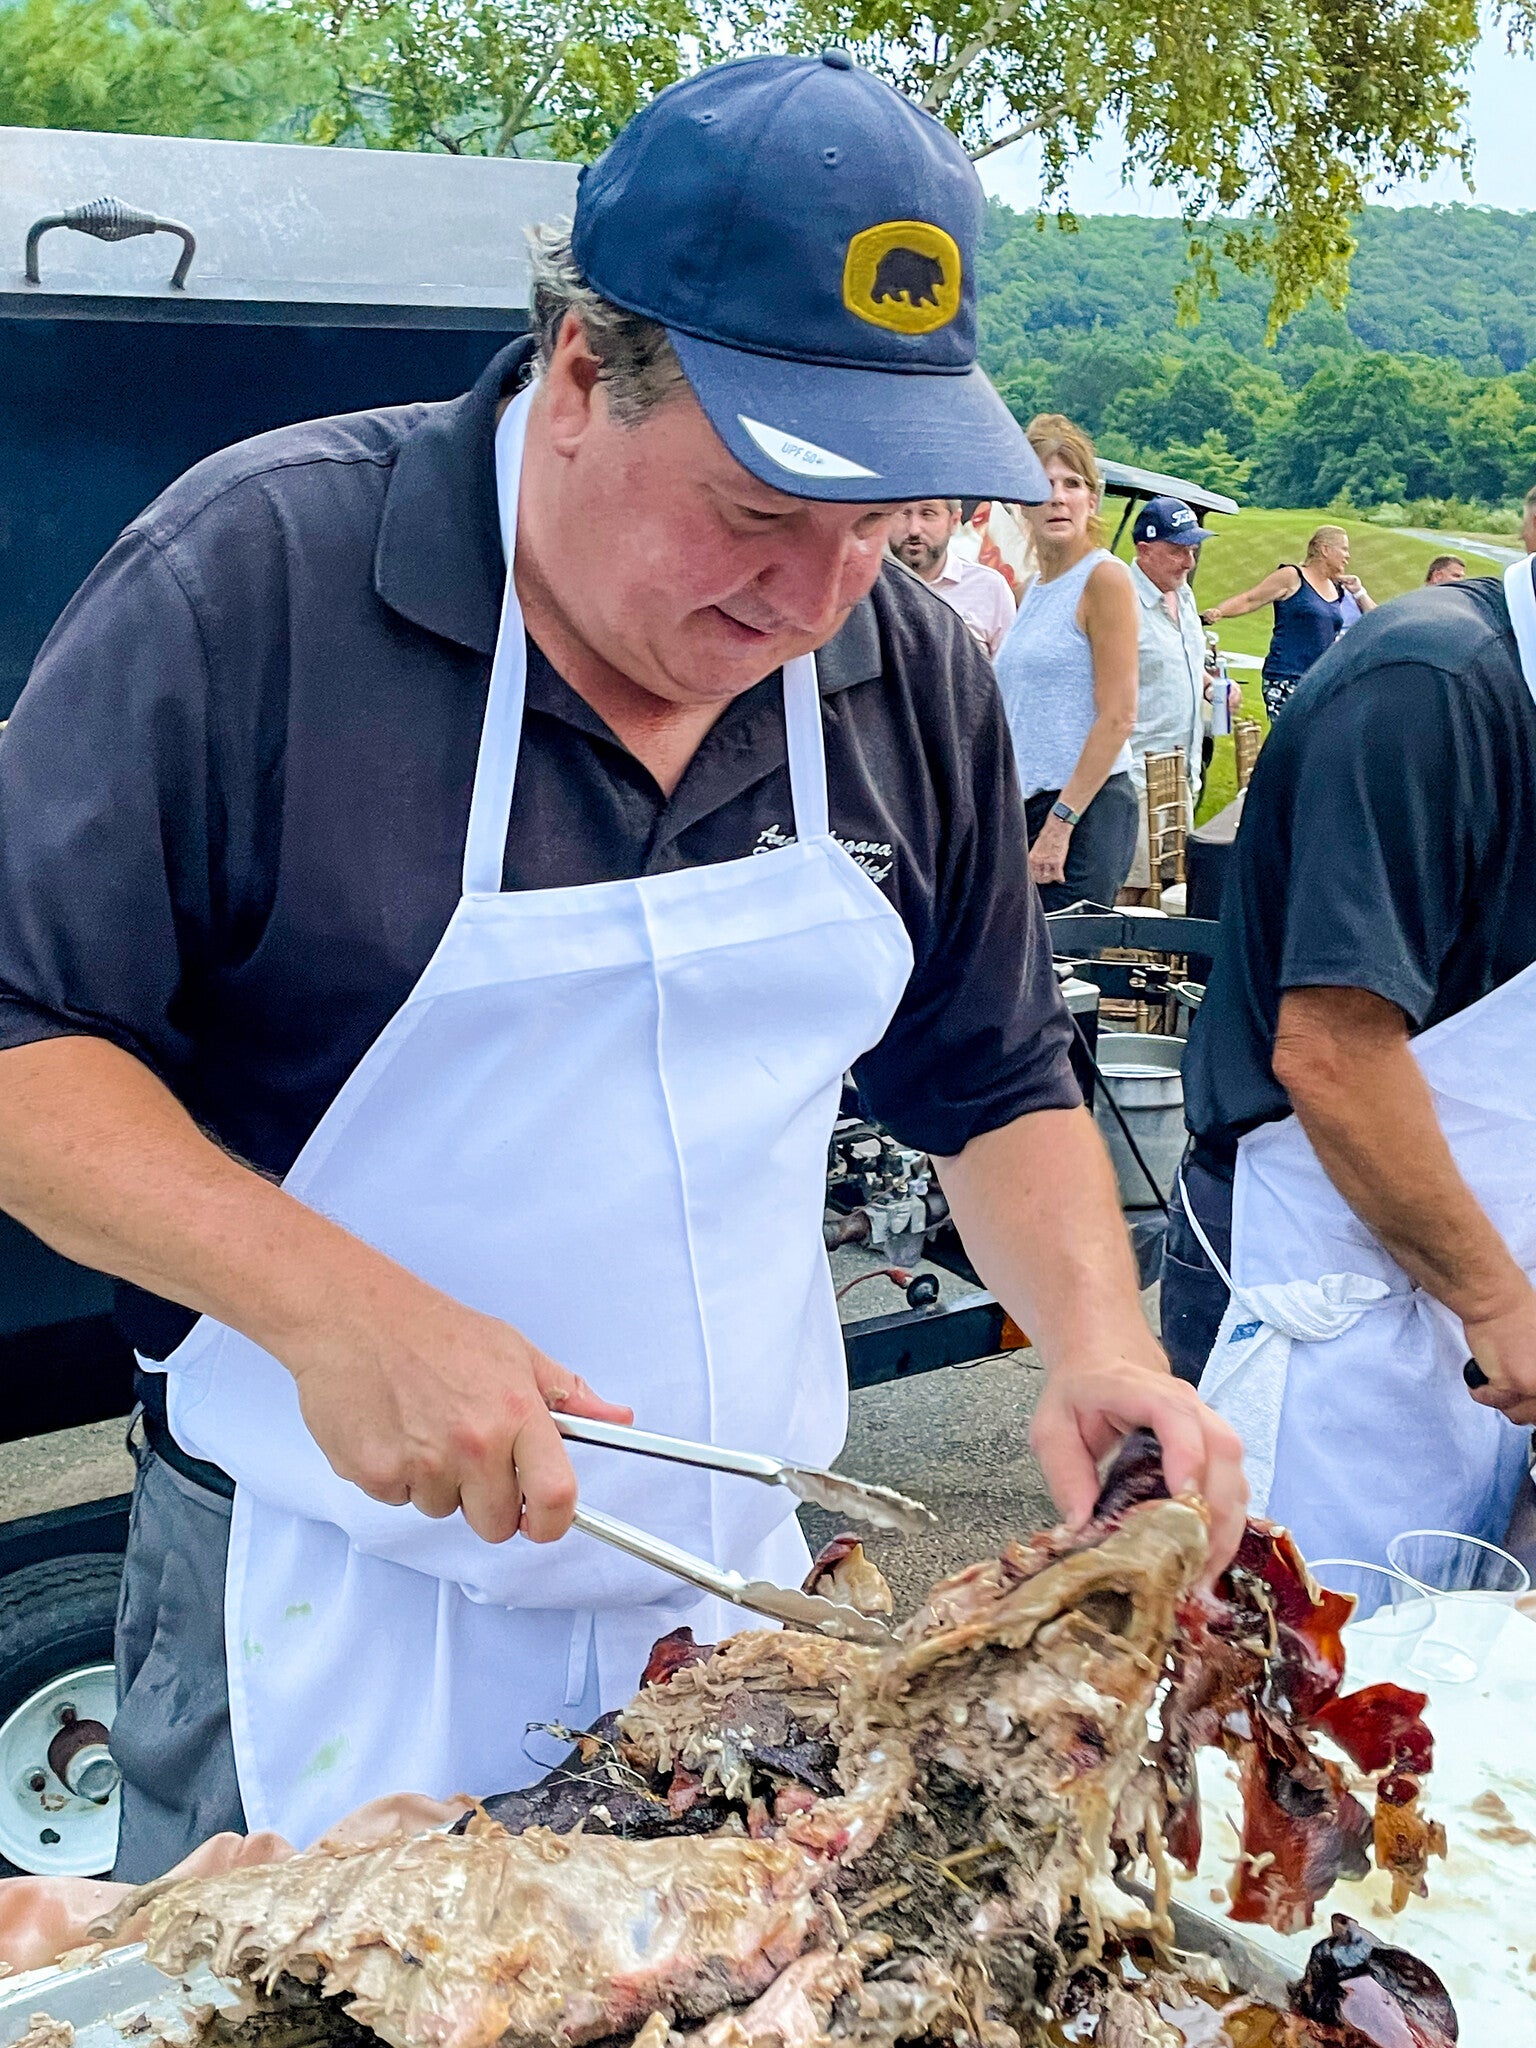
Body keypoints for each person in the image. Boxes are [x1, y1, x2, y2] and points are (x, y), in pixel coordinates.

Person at [0, 53, 1244, 1879]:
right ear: (583, 367)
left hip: (745, 1622)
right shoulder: (252, 583)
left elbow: (985, 1071)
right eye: (758, 513)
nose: (819, 600)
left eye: (877, 522)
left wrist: (1097, 1339)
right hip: (325, 1599)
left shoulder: (895, 672)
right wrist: (336, 1305)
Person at [1160, 557, 1536, 1568]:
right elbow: (1333, 1053)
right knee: (1268, 1668)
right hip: (1314, 1273)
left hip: (1471, 1288)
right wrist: (1497, 1299)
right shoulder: (1430, 688)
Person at [994, 416, 1139, 910]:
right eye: (1043, 484)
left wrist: (1060, 825)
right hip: (1025, 811)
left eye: (1072, 483)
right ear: (1021, 504)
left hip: (1083, 813)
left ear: (1091, 500)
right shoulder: (1029, 591)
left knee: (1066, 974)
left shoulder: (1104, 579)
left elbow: (1118, 715)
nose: (1058, 497)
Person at [1122, 498, 1216, 899]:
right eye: (1178, 550)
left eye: (1192, 550)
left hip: (1182, 776)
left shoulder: (1182, 596)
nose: (1188, 562)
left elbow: (1183, 663)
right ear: (1145, 550)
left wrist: (1209, 686)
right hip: (1136, 781)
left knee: (1171, 895)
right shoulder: (1121, 602)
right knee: (1131, 899)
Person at [1200, 525, 1374, 720]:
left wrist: (1359, 592)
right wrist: (1219, 612)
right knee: (1292, 744)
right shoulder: (1292, 577)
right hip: (1286, 677)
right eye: (1343, 548)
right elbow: (1251, 599)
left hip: (1320, 681)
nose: (1347, 555)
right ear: (1325, 550)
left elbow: (1376, 619)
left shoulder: (1338, 588)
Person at [888, 497, 1016, 656]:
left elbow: (1008, 673)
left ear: (954, 521)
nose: (914, 529)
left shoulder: (989, 588)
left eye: (928, 514)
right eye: (903, 513)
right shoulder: (866, 589)